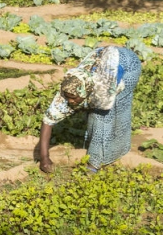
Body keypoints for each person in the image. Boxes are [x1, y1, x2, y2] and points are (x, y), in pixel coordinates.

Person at [38, 45, 142, 174]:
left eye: (75, 98)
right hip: (102, 57)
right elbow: (48, 121)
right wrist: (44, 158)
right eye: (68, 97)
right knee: (93, 111)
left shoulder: (103, 90)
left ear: (86, 92)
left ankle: (97, 162)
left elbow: (102, 109)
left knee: (107, 112)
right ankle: (94, 150)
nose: (70, 101)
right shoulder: (69, 88)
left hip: (128, 65)